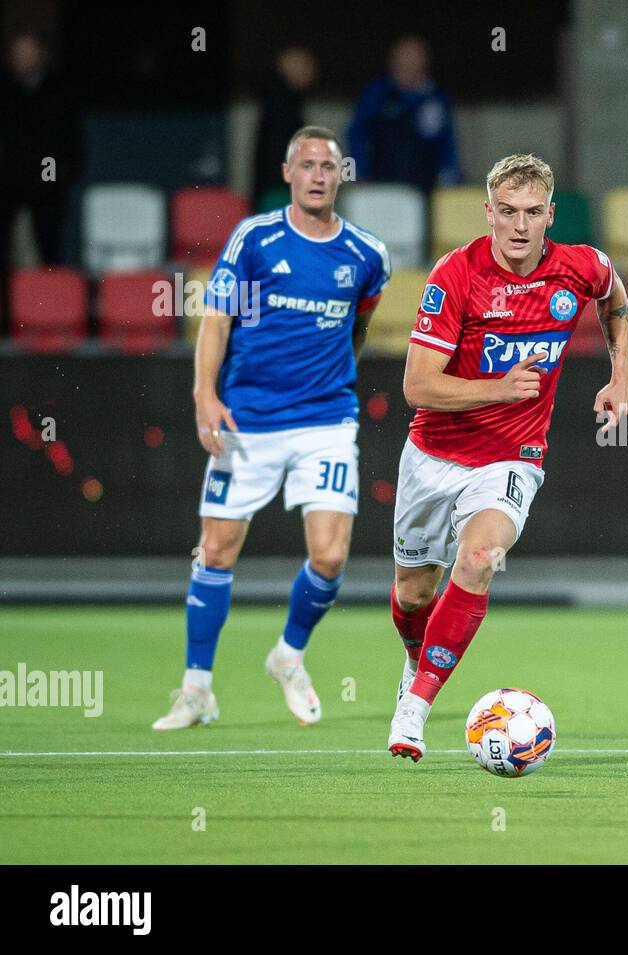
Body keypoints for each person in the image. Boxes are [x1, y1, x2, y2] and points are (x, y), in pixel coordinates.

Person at [386, 153, 628, 761]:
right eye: (507, 213)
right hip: (433, 455)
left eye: (532, 213)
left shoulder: (578, 266)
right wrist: (499, 386)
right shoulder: (456, 276)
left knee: (478, 557)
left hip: (512, 457)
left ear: (550, 214)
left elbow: (613, 294)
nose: (520, 226)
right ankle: (418, 658)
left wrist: (622, 372)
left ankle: (414, 708)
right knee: (414, 593)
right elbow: (417, 387)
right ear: (488, 213)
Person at [152, 126, 390, 730]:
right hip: (249, 420)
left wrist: (335, 378)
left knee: (332, 557)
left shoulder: (366, 256)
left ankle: (288, 655)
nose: (317, 174)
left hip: (326, 422)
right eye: (306, 164)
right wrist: (205, 392)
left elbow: (357, 328)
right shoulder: (256, 238)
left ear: (342, 176)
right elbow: (218, 317)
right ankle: (197, 689)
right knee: (216, 550)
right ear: (287, 172)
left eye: (328, 166)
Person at [0, 32, 80, 305]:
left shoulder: (59, 91)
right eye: (18, 54)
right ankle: (9, 314)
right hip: (8, 180)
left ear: (41, 56)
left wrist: (67, 172)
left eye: (28, 53)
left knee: (50, 248)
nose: (23, 60)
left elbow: (73, 139)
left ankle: (51, 309)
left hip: (48, 182)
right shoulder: (5, 90)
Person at [347, 36, 460, 193]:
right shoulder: (377, 93)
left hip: (424, 187)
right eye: (403, 58)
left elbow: (446, 143)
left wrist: (450, 178)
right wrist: (359, 173)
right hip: (382, 184)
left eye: (414, 59)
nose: (408, 64)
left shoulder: (435, 98)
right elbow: (356, 135)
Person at [253, 47, 316, 205]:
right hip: (280, 186)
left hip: (276, 185)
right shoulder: (282, 105)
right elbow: (277, 149)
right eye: (306, 67)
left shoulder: (283, 100)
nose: (311, 73)